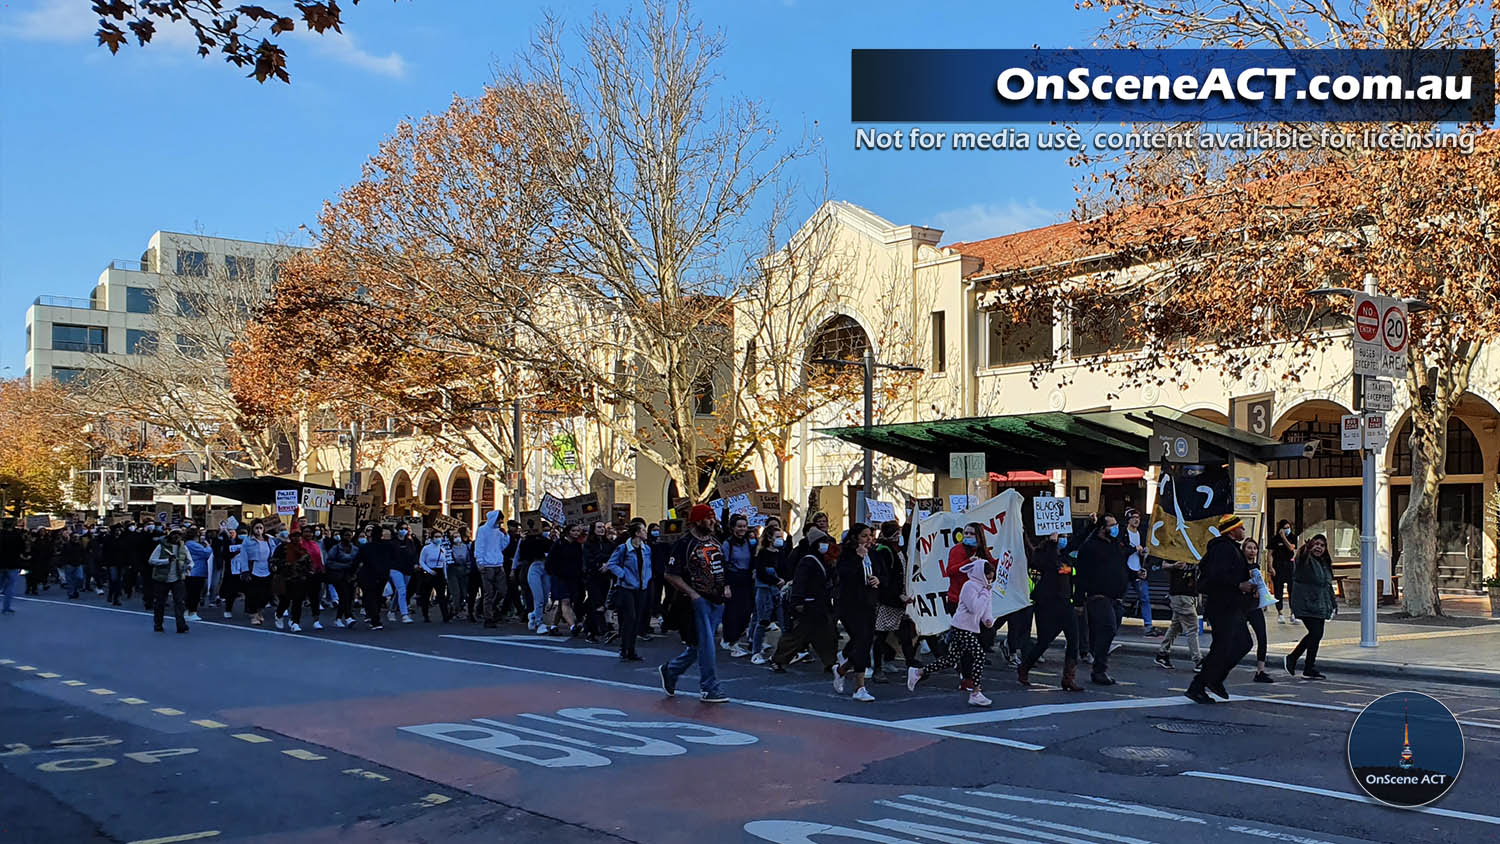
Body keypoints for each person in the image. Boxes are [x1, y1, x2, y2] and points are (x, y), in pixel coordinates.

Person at [659, 504, 729, 703]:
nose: (712, 521)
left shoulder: (714, 541)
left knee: (699, 646)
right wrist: (692, 594)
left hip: (717, 599)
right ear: (697, 521)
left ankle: (671, 670)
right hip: (698, 602)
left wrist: (726, 586)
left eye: (713, 517)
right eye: (708, 518)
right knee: (707, 646)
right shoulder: (684, 544)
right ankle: (709, 687)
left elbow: (721, 566)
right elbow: (670, 574)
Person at [1185, 514, 1256, 704]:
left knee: (1236, 645)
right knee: (1225, 647)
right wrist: (1238, 585)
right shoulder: (1223, 549)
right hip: (1223, 607)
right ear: (1232, 531)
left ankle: (1212, 679)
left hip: (1231, 606)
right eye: (1240, 527)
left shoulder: (1230, 549)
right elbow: (1216, 577)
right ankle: (1201, 684)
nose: (1243, 531)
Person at [909, 557, 995, 707]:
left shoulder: (984, 589)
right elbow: (974, 607)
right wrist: (985, 594)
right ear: (981, 573)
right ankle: (976, 691)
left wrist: (988, 620)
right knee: (979, 655)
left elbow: (986, 609)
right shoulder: (970, 586)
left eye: (991, 578)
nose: (989, 580)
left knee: (950, 659)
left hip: (969, 627)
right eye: (988, 576)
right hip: (962, 626)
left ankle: (918, 672)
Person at [1018, 533, 1084, 691]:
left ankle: (1069, 678)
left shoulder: (1066, 556)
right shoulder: (1042, 554)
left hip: (1065, 603)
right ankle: (1025, 667)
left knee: (1074, 640)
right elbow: (1050, 565)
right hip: (1047, 604)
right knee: (1044, 641)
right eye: (1061, 536)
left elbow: (1072, 571)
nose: (1064, 539)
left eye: (1066, 536)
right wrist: (1052, 545)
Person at [769, 527, 839, 673]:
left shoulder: (824, 561)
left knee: (826, 634)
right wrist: (798, 602)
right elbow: (800, 583)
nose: (826, 545)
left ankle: (830, 662)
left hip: (820, 604)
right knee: (798, 635)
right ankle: (778, 660)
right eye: (823, 542)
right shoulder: (807, 561)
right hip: (808, 604)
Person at [1075, 514, 1128, 685]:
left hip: (1116, 598)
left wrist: (1135, 575)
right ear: (1102, 528)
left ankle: (1096, 656)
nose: (1115, 528)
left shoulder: (1116, 546)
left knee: (1106, 632)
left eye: (1116, 524)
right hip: (1098, 596)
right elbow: (1081, 575)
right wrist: (1078, 601)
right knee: (1108, 627)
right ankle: (1099, 669)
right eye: (1111, 525)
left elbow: (1120, 568)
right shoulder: (1090, 547)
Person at [833, 523, 881, 701]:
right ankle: (860, 687)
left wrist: (878, 579)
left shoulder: (874, 554)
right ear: (855, 538)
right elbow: (844, 575)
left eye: (870, 535)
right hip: (850, 605)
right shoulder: (847, 555)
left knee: (865, 641)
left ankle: (841, 669)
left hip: (869, 603)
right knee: (861, 641)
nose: (868, 539)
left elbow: (883, 573)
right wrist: (857, 559)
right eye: (864, 536)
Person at [1286, 533, 1335, 680]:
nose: (1319, 548)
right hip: (1306, 602)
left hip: (1319, 604)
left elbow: (1327, 585)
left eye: (1322, 545)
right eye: (1316, 544)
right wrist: (1305, 549)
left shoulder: (1324, 563)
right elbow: (1300, 559)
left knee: (1317, 634)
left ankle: (1309, 667)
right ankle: (1293, 658)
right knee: (1315, 632)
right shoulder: (1305, 560)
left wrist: (1332, 603)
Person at [606, 521, 651, 662]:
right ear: (637, 533)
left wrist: (647, 578)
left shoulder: (646, 549)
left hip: (641, 588)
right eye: (643, 530)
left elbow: (648, 565)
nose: (646, 532)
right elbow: (611, 564)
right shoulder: (623, 548)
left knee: (636, 619)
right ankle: (624, 648)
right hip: (626, 588)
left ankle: (631, 649)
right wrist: (623, 575)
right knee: (629, 617)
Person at [1153, 552, 1204, 673]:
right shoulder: (1176, 547)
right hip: (1180, 593)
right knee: (1192, 627)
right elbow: (1164, 565)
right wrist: (1174, 566)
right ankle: (1198, 660)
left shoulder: (1196, 547)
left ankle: (1162, 653)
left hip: (1191, 594)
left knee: (1176, 626)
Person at [748, 525, 789, 664]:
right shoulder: (762, 554)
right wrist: (776, 580)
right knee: (762, 621)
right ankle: (756, 652)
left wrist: (784, 580)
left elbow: (785, 569)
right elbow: (761, 573)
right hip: (765, 590)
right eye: (777, 537)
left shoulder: (781, 553)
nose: (780, 540)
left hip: (779, 591)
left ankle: (784, 654)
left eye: (781, 537)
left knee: (784, 623)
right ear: (770, 538)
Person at [720, 514, 757, 657]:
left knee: (746, 610)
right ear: (733, 528)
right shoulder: (727, 544)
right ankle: (731, 641)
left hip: (746, 579)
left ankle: (736, 637)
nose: (742, 529)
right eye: (739, 526)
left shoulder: (749, 542)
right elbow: (724, 565)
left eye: (744, 526)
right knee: (733, 612)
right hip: (733, 579)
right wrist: (726, 585)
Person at [1242, 538, 1276, 683]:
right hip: (1242, 606)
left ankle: (1260, 671)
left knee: (1262, 636)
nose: (1252, 551)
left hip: (1255, 606)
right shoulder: (1239, 566)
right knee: (1237, 639)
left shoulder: (1256, 566)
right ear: (1243, 550)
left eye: (1254, 548)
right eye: (1249, 548)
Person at [1123, 509, 1160, 637]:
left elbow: (1147, 555)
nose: (1136, 520)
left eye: (1138, 517)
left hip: (1139, 570)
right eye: (1133, 517)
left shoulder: (1142, 534)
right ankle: (1114, 624)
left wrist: (1145, 565)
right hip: (1126, 572)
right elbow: (1119, 551)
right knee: (1119, 599)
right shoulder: (1124, 534)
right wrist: (1133, 549)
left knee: (1145, 598)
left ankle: (1148, 625)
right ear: (1128, 519)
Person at [270, 529, 315, 632]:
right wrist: (282, 566)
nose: (297, 538)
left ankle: (295, 622)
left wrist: (310, 571)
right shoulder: (282, 548)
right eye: (294, 536)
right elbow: (273, 561)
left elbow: (309, 563)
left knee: (298, 602)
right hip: (285, 579)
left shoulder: (303, 550)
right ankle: (279, 614)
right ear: (290, 537)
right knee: (285, 601)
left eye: (299, 536)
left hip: (300, 580)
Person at [546, 523, 587, 636]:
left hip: (572, 578)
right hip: (559, 577)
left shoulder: (577, 545)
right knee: (565, 601)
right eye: (574, 531)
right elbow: (550, 561)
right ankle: (572, 626)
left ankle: (554, 626)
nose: (576, 533)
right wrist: (554, 573)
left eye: (578, 531)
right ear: (568, 531)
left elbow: (579, 562)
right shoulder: (559, 544)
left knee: (563, 604)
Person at [148, 528, 191, 634]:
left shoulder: (183, 547)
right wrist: (166, 561)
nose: (177, 537)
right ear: (170, 536)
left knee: (179, 602)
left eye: (179, 535)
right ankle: (158, 624)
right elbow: (151, 560)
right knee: (160, 603)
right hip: (162, 579)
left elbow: (190, 561)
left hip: (177, 578)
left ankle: (181, 625)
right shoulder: (161, 547)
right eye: (174, 534)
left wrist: (188, 567)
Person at [231, 521, 275, 625]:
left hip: (266, 568)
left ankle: (260, 612)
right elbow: (244, 556)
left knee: (265, 594)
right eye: (256, 528)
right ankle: (253, 615)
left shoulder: (268, 539)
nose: (259, 530)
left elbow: (274, 550)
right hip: (253, 568)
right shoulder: (248, 541)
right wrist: (245, 570)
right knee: (253, 593)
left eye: (261, 528)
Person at [357, 526, 397, 630]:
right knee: (378, 596)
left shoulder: (365, 547)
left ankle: (374, 618)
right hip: (382, 574)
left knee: (370, 596)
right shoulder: (388, 545)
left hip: (368, 573)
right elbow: (395, 557)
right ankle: (374, 617)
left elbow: (357, 560)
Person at [519, 522, 554, 632]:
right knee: (538, 597)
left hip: (547, 570)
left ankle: (533, 615)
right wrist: (524, 540)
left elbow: (554, 551)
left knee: (544, 598)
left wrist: (554, 538)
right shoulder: (528, 541)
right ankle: (539, 622)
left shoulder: (548, 541)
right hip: (535, 568)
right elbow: (523, 555)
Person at [582, 521, 614, 642]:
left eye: (602, 527)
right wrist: (600, 563)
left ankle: (590, 630)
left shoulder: (608, 543)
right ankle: (604, 631)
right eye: (599, 527)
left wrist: (608, 564)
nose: (601, 529)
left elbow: (612, 556)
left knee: (593, 604)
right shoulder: (589, 544)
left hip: (605, 578)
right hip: (593, 577)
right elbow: (589, 559)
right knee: (598, 603)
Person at [324, 529, 360, 627]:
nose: (348, 537)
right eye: (346, 535)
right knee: (344, 596)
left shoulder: (355, 549)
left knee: (349, 598)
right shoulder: (336, 548)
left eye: (349, 535)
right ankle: (348, 617)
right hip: (339, 576)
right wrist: (344, 566)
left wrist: (355, 573)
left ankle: (338, 618)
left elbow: (358, 562)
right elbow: (329, 562)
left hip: (351, 576)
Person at [416, 533, 453, 622]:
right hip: (429, 572)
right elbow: (421, 561)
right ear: (432, 538)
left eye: (440, 537)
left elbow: (444, 563)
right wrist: (428, 570)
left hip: (439, 572)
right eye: (436, 537)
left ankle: (445, 616)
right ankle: (426, 615)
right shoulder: (426, 549)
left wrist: (445, 576)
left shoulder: (442, 549)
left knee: (441, 596)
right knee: (426, 595)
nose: (438, 539)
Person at [183, 527, 213, 621]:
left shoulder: (188, 544)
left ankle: (188, 611)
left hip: (193, 571)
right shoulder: (192, 544)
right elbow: (206, 553)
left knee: (191, 593)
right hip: (196, 571)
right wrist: (208, 546)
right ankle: (192, 611)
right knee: (194, 593)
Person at [1270, 519, 1297, 623]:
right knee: (1278, 591)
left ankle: (1293, 613)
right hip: (1278, 566)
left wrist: (1284, 537)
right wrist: (1271, 567)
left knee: (1292, 590)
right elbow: (1270, 553)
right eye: (1285, 528)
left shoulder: (1292, 537)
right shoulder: (1274, 539)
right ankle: (1280, 613)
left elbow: (1291, 548)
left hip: (1289, 566)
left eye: (1288, 528)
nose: (1287, 530)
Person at [390, 525, 418, 623]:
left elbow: (414, 554)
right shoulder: (392, 543)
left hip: (408, 569)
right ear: (397, 530)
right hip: (395, 568)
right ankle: (404, 614)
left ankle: (392, 610)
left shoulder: (410, 542)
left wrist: (415, 564)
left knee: (400, 591)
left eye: (406, 529)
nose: (404, 530)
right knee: (402, 590)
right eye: (401, 528)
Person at [0, 519, 24, 614]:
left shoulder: (1, 534)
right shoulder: (17, 535)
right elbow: (22, 548)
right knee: (10, 587)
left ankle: (6, 607)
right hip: (13, 563)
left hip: (1, 563)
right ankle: (6, 607)